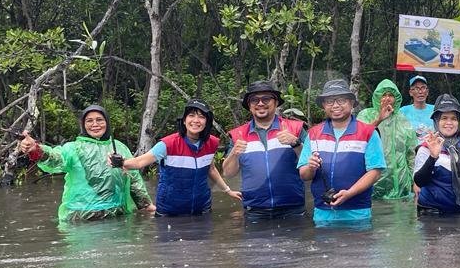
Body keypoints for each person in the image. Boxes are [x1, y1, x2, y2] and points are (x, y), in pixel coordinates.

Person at [19, 104, 155, 221]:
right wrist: (36, 149)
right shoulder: (73, 148)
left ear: (107, 123)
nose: (95, 124)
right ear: (83, 125)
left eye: (99, 120)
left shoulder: (119, 147)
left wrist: (146, 205)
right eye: (89, 121)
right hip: (80, 217)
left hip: (117, 216)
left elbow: (133, 179)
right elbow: (55, 159)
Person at [112, 99, 240, 216]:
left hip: (201, 209)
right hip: (170, 212)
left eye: (201, 117)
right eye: (191, 115)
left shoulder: (211, 143)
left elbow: (211, 169)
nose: (196, 120)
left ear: (207, 122)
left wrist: (228, 190)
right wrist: (121, 162)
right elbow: (139, 162)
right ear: (184, 120)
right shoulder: (167, 144)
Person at [299, 80, 386, 225]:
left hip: (358, 213)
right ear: (324, 105)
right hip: (322, 214)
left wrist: (349, 193)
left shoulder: (368, 132)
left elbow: (375, 172)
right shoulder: (313, 134)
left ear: (351, 103)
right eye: (330, 101)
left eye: (341, 100)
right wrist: (311, 167)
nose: (335, 105)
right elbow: (304, 175)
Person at [221, 80, 307, 220]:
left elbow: (312, 165)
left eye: (266, 99)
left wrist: (296, 143)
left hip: (293, 208)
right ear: (249, 106)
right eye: (254, 100)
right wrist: (234, 154)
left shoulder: (296, 128)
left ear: (276, 102)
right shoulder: (238, 135)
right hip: (255, 210)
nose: (260, 103)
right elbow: (228, 173)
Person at [413, 94, 460, 215]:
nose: (449, 122)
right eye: (444, 118)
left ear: (458, 122)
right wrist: (433, 157)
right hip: (433, 213)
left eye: (453, 118)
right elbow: (420, 181)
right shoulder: (426, 147)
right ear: (436, 121)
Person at [357, 78, 418, 200]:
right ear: (377, 97)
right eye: (383, 95)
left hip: (401, 185)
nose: (387, 98)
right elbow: (358, 138)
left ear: (396, 98)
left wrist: (414, 181)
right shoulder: (366, 115)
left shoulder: (402, 120)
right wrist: (379, 119)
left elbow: (411, 153)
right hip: (372, 184)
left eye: (391, 95)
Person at [398, 75, 435, 143]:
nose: (420, 92)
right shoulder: (403, 111)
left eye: (423, 88)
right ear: (410, 93)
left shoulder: (435, 110)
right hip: (410, 148)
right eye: (416, 88)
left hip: (432, 147)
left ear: (427, 92)